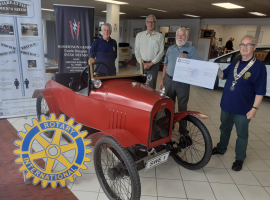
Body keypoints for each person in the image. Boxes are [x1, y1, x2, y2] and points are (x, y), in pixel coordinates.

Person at [212, 35, 267, 171]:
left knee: (242, 134)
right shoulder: (235, 63)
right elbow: (223, 76)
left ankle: (239, 158)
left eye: (248, 45)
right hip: (227, 104)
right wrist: (216, 68)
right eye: (242, 45)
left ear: (254, 47)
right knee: (224, 128)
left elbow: (260, 91)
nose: (244, 47)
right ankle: (221, 148)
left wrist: (254, 108)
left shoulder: (259, 67)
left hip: (244, 108)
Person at [159, 27, 197, 117]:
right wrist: (162, 79)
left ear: (187, 37)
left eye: (182, 35)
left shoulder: (192, 49)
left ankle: (183, 129)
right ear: (175, 37)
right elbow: (165, 64)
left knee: (182, 107)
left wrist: (187, 59)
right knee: (168, 104)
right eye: (178, 35)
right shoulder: (170, 49)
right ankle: (169, 126)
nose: (180, 37)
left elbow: (195, 66)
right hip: (169, 80)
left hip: (182, 82)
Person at [135, 14, 164, 89]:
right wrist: (143, 63)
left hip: (153, 65)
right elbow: (136, 51)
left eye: (152, 22)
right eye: (149, 22)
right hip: (141, 64)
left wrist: (151, 63)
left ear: (155, 24)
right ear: (146, 23)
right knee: (139, 85)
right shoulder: (139, 35)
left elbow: (161, 52)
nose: (150, 24)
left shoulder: (159, 36)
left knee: (152, 86)